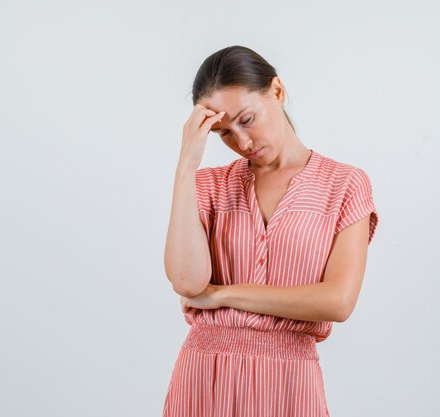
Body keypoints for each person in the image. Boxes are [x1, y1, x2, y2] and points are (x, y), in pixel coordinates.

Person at [162, 45, 379, 417]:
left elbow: (338, 302)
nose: (241, 143)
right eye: (223, 133)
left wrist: (221, 296)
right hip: (203, 376)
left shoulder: (344, 185)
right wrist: (186, 165)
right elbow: (186, 281)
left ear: (277, 92)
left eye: (247, 119)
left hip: (290, 380)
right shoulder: (209, 186)